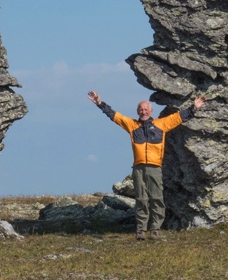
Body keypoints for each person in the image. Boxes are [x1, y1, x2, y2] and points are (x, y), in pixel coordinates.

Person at [87, 90, 207, 240]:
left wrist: (194, 107)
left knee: (156, 198)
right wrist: (99, 103)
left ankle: (155, 229)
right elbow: (115, 116)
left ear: (151, 111)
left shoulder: (161, 124)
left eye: (146, 109)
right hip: (138, 168)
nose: (143, 112)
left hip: (155, 167)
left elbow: (179, 117)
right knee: (141, 199)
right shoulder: (132, 125)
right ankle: (141, 230)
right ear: (138, 111)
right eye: (141, 109)